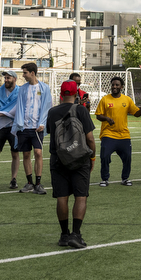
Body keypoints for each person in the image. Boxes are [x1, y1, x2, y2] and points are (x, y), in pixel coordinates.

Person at [47, 80, 95, 248]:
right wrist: (92, 157)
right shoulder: (81, 110)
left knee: (62, 197)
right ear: (76, 93)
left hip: (59, 158)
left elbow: (52, 135)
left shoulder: (52, 112)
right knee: (80, 196)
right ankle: (76, 233)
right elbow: (89, 138)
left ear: (61, 94)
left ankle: (64, 235)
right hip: (79, 158)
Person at [94, 76, 141, 186]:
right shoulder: (105, 99)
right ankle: (105, 179)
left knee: (128, 157)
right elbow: (98, 116)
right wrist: (107, 119)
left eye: (117, 85)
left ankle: (125, 179)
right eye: (113, 85)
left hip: (124, 135)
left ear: (122, 87)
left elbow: (136, 113)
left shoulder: (127, 100)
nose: (114, 87)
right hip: (108, 134)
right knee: (104, 156)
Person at [13, 62, 52, 194]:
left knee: (38, 153)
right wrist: (18, 124)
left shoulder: (44, 88)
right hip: (24, 127)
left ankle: (38, 183)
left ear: (32, 73)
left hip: (37, 127)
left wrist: (43, 123)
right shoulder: (22, 89)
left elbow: (47, 107)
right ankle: (29, 183)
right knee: (26, 154)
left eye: (25, 72)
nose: (23, 75)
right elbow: (19, 107)